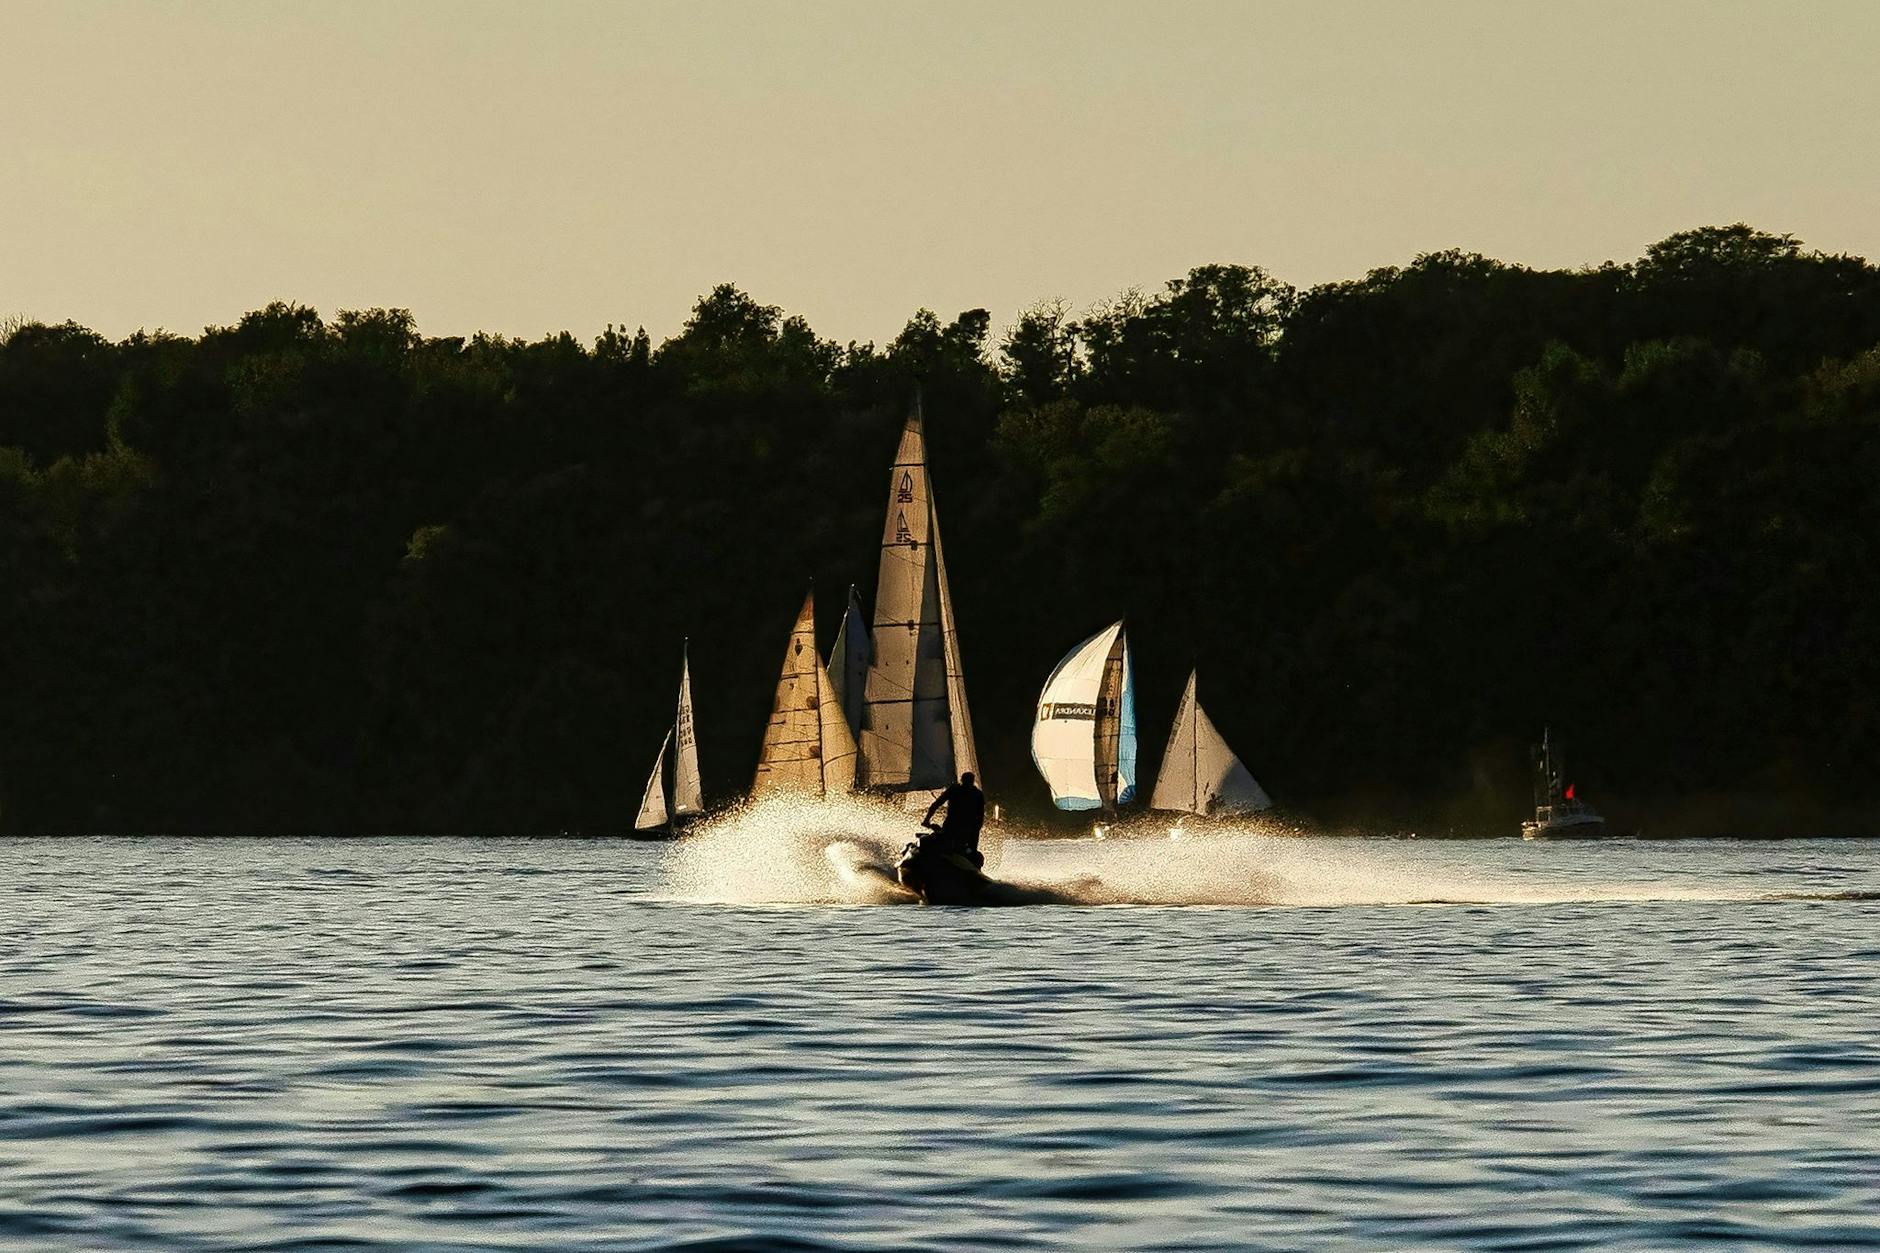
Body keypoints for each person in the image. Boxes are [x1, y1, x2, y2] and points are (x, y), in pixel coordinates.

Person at [922, 771, 985, 862]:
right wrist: (926, 820)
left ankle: (969, 859)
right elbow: (981, 817)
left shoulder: (955, 790)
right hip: (961, 830)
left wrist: (926, 820)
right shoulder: (977, 794)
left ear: (962, 780)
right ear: (972, 781)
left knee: (970, 852)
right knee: (970, 851)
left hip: (959, 830)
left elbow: (936, 805)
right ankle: (968, 856)